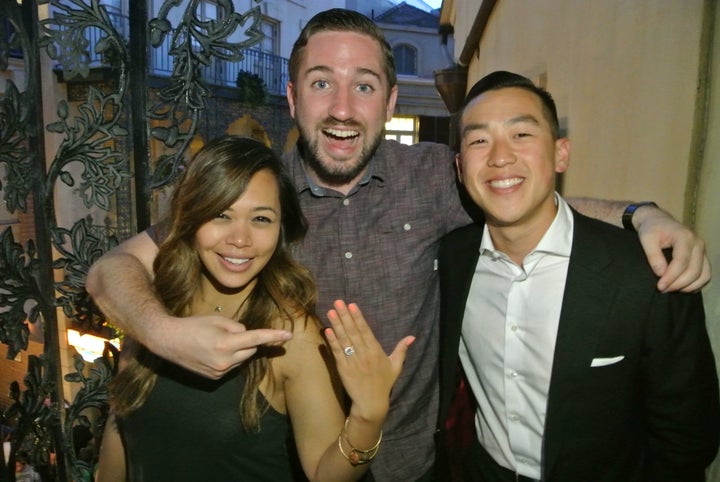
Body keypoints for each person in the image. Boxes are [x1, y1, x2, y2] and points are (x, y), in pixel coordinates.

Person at [86, 9, 711, 482]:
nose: (341, 106)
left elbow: (523, 194)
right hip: (298, 461)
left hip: (418, 462)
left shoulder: (436, 174)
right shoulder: (257, 196)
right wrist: (161, 334)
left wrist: (638, 213)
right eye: (321, 82)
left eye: (363, 86)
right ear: (292, 96)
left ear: (388, 101)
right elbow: (112, 268)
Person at [436, 71, 720, 481]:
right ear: (461, 167)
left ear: (560, 154)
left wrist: (642, 212)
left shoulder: (646, 273)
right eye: (479, 140)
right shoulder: (452, 258)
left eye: (521, 135)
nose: (499, 156)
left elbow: (688, 437)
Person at [93, 136, 413, 481]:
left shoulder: (290, 335)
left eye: (260, 219)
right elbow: (119, 436)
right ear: (190, 219)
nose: (240, 239)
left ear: (281, 228)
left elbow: (325, 476)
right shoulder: (153, 309)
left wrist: (368, 414)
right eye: (221, 214)